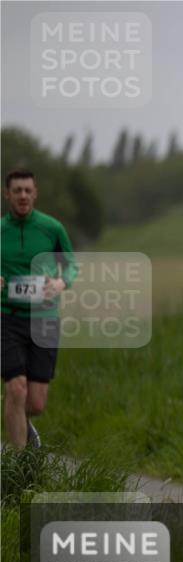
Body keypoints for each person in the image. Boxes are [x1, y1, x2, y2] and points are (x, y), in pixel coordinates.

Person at [1, 169, 77, 449]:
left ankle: (18, 412)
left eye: (27, 190)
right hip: (6, 317)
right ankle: (17, 469)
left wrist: (61, 282)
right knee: (16, 386)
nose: (22, 195)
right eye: (17, 190)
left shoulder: (52, 228)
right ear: (7, 194)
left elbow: (70, 264)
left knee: (35, 402)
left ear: (35, 194)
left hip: (44, 318)